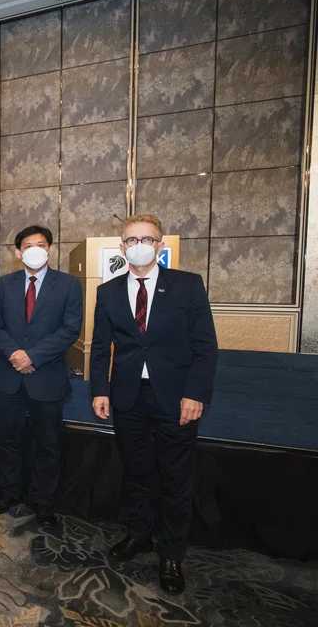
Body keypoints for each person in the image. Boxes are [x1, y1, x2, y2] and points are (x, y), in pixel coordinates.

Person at [90, 214, 218, 595]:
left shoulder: (188, 286)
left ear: (160, 246)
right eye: (132, 239)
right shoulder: (108, 291)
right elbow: (100, 349)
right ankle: (139, 534)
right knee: (136, 470)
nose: (140, 244)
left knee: (176, 476)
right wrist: (99, 390)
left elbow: (205, 347)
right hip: (127, 396)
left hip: (176, 398)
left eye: (148, 238)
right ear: (122, 246)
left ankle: (172, 552)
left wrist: (195, 394)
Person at [0, 225, 82, 528]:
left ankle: (44, 501)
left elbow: (70, 329)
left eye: (40, 244)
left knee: (47, 443)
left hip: (47, 376)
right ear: (18, 253)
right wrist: (16, 355)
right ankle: (8, 490)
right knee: (7, 439)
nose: (34, 249)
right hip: (8, 376)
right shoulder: (4, 284)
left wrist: (34, 356)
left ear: (50, 249)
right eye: (27, 245)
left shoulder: (68, 285)